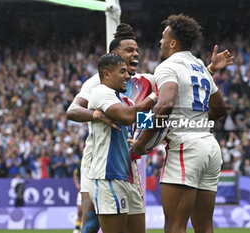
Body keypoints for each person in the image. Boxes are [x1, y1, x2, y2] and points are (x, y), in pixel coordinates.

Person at [66, 23, 233, 233]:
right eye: (129, 50)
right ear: (114, 55)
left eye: (137, 50)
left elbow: (181, 86)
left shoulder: (148, 81)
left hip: (130, 164)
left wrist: (208, 70)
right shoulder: (98, 83)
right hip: (99, 162)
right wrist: (97, 115)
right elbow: (72, 110)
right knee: (91, 224)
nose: (136, 54)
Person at [131, 14, 229, 233]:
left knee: (175, 226)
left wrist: (141, 143)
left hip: (187, 148)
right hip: (210, 148)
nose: (160, 42)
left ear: (173, 43)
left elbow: (165, 105)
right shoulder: (200, 66)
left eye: (163, 38)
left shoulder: (167, 67)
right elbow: (220, 109)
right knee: (204, 226)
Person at [87, 53, 155, 233]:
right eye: (122, 71)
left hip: (128, 175)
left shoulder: (127, 100)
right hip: (109, 174)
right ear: (107, 74)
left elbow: (148, 124)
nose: (128, 76)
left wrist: (144, 140)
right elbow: (127, 117)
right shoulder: (101, 93)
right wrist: (155, 96)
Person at [73, 160, 82, 233]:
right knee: (80, 212)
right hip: (83, 190)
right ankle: (77, 228)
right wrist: (77, 184)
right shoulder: (81, 162)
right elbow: (75, 173)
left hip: (94, 189)